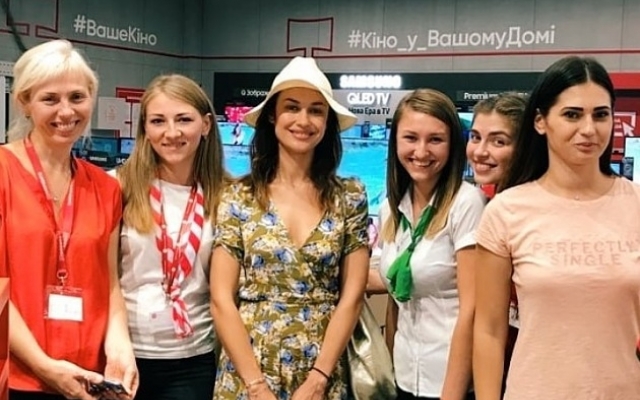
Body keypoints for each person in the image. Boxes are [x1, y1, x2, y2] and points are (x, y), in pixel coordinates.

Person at [473, 56, 640, 400]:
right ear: (540, 121)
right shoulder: (506, 211)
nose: (589, 129)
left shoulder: (635, 203)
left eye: (600, 114)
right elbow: (489, 331)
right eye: (572, 115)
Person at [210, 56, 370, 399]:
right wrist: (255, 386)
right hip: (249, 365)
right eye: (292, 107)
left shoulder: (350, 196)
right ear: (273, 115)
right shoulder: (239, 196)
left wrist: (319, 378)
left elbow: (352, 295)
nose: (303, 120)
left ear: (327, 121)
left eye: (316, 111)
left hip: (321, 367)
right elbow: (221, 298)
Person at [0, 39, 137, 399]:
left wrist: (120, 347)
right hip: (15, 378)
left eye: (77, 97)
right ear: (24, 103)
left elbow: (110, 284)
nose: (66, 111)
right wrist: (44, 366)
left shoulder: (105, 188)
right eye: (50, 99)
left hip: (87, 378)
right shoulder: (3, 172)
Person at [114, 74, 227, 400]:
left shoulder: (226, 196)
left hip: (193, 358)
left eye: (184, 120)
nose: (172, 132)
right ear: (145, 129)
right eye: (158, 121)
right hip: (126, 353)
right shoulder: (117, 188)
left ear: (206, 125)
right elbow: (103, 279)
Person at [378, 89, 486, 400]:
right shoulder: (391, 209)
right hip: (404, 375)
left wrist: (451, 393)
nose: (421, 151)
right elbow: (396, 296)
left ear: (452, 145)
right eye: (411, 138)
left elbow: (473, 309)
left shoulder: (467, 204)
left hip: (449, 380)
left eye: (435, 140)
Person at [465, 92, 526, 388]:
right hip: (497, 368)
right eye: (475, 137)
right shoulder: (489, 205)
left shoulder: (534, 212)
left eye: (498, 142)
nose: (480, 151)